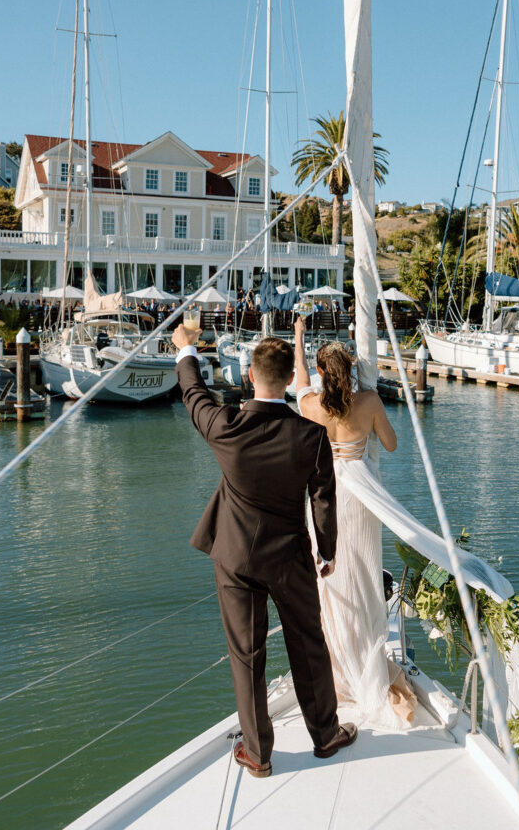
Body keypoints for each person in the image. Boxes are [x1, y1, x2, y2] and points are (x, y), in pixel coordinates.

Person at [172, 322, 357, 778]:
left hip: (234, 557)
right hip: (291, 557)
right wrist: (328, 552)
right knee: (308, 645)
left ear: (250, 377)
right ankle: (326, 735)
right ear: (291, 381)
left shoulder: (225, 426)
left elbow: (194, 393)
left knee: (247, 655)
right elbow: (323, 498)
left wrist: (187, 349)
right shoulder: (311, 437)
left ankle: (258, 754)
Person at [293, 315, 417, 726]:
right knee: (364, 578)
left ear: (323, 373)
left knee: (333, 583)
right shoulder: (369, 403)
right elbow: (392, 445)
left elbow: (298, 381)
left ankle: (340, 667)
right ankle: (368, 655)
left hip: (329, 498)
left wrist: (297, 335)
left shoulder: (314, 407)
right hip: (363, 498)